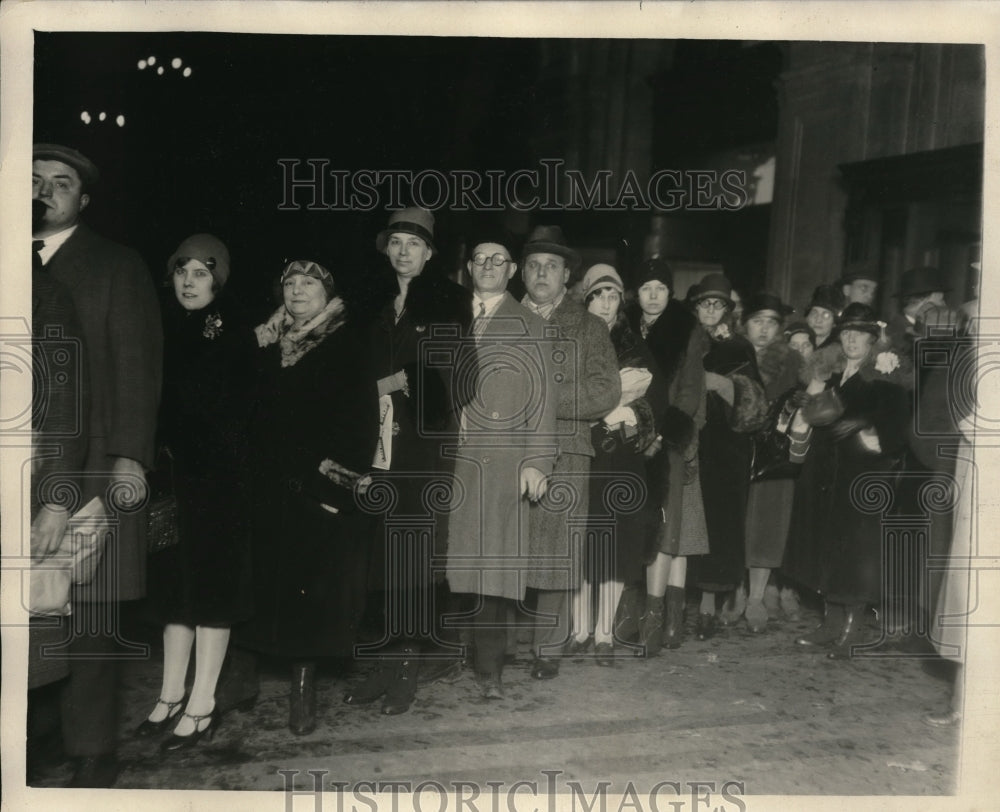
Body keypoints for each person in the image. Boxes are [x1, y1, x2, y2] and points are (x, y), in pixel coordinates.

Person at [32, 143, 162, 788]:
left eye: (60, 183)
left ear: (82, 200)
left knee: (90, 611)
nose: (44, 192)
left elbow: (137, 371)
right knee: (31, 611)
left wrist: (129, 462)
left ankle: (92, 751)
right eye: (33, 181)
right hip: (24, 462)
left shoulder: (115, 264)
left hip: (94, 470)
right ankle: (39, 734)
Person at [242, 259, 378, 734]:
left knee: (309, 600)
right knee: (268, 589)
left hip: (315, 489)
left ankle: (303, 694)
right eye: (290, 284)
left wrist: (332, 488)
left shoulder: (347, 344)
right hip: (268, 488)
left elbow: (361, 427)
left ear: (327, 293)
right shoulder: (263, 344)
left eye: (309, 284)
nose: (298, 292)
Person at [344, 207, 471, 714]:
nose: (403, 251)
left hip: (423, 443)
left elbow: (455, 378)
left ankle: (407, 666)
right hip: (374, 444)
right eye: (396, 241)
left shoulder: (449, 301)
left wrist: (393, 384)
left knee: (412, 554)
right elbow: (350, 365)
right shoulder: (368, 299)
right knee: (377, 554)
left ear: (430, 253)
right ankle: (383, 660)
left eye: (414, 244)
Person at [138, 235, 257, 750]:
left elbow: (241, 412)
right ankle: (168, 696)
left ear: (219, 280)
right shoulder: (162, 324)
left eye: (201, 273)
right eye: (182, 270)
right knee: (174, 590)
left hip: (219, 482)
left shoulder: (232, 333)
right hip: (172, 478)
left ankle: (202, 700)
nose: (189, 281)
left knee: (210, 589)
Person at [444, 238, 557, 697]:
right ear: (469, 267)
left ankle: (489, 668)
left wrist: (538, 460)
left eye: (498, 260)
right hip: (450, 460)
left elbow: (544, 399)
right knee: (449, 563)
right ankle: (444, 655)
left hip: (503, 460)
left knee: (493, 567)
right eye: (479, 259)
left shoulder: (529, 324)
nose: (487, 266)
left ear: (511, 270)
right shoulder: (448, 313)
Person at [520, 226, 620, 680]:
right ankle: (494, 645)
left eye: (552, 267)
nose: (542, 273)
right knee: (506, 548)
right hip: (505, 449)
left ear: (567, 276)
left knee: (554, 554)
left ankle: (548, 649)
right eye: (534, 265)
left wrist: (542, 399)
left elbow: (606, 392)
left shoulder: (589, 325)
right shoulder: (503, 318)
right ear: (522, 272)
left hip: (567, 450)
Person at [784, 303, 911, 656]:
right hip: (827, 473)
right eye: (847, 333)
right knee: (827, 546)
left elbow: (899, 424)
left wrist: (867, 424)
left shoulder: (887, 374)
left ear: (873, 339)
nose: (852, 339)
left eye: (860, 334)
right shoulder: (833, 372)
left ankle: (851, 627)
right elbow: (814, 413)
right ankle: (830, 622)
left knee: (854, 554)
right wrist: (807, 402)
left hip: (863, 477)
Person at [568, 264, 667, 663]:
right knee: (580, 541)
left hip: (621, 458)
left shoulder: (632, 343)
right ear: (586, 299)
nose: (606, 304)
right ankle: (579, 629)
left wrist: (633, 414)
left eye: (613, 296)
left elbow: (657, 398)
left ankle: (605, 633)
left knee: (613, 544)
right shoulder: (573, 337)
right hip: (581, 452)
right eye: (599, 295)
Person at [624, 258, 705, 654]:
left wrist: (662, 431)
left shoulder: (684, 331)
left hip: (667, 440)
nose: (652, 295)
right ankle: (656, 616)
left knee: (666, 530)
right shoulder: (625, 328)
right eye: (645, 288)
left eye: (659, 288)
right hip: (629, 435)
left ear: (670, 293)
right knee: (642, 524)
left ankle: (658, 622)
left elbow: (691, 391)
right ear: (635, 294)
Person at [687, 273, 767, 639]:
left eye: (717, 304)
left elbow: (756, 405)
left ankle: (707, 606)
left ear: (727, 310)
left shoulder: (738, 347)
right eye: (705, 303)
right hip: (688, 443)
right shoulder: (684, 341)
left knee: (716, 525)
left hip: (725, 449)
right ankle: (673, 600)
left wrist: (724, 384)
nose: (710, 309)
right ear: (695, 307)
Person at [740, 292, 802, 632]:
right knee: (737, 521)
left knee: (765, 525)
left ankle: (756, 597)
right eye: (757, 321)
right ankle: (735, 591)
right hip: (737, 450)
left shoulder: (790, 360)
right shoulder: (733, 355)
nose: (763, 330)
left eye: (771, 323)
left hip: (772, 455)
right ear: (744, 324)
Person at [804, 284, 845, 350]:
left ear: (834, 322)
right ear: (807, 318)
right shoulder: (796, 347)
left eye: (826, 315)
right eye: (814, 313)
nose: (818, 320)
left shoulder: (838, 351)